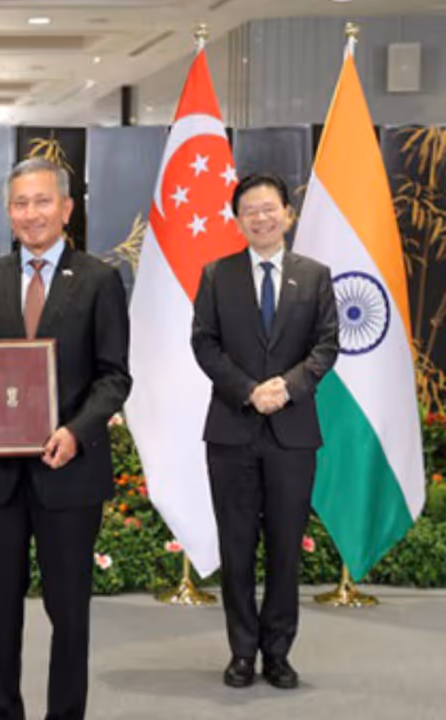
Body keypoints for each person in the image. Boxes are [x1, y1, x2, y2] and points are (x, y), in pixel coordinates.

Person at [0, 157, 132, 720]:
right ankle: (2, 711)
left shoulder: (101, 280)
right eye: (19, 204)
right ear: (8, 213)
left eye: (41, 202)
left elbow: (114, 376)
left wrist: (77, 433)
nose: (30, 214)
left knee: (68, 610)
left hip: (69, 473)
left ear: (66, 208)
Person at [191, 173, 338, 690]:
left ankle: (278, 652)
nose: (260, 216)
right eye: (249, 210)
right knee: (236, 546)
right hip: (232, 430)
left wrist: (288, 388)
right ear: (238, 220)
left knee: (283, 547)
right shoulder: (216, 275)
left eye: (268, 208)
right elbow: (204, 344)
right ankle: (241, 651)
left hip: (293, 434)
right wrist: (249, 390)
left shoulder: (315, 276)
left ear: (287, 214)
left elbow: (326, 347)